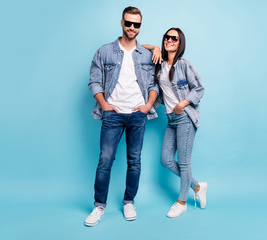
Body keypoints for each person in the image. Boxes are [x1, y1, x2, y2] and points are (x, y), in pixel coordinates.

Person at [85, 6, 158, 226]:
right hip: (113, 114)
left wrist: (148, 105)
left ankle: (129, 201)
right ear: (121, 23)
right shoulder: (105, 51)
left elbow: (155, 83)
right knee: (105, 160)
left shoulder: (146, 54)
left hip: (137, 115)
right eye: (128, 23)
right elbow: (94, 80)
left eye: (136, 24)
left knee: (134, 161)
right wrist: (105, 105)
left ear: (140, 26)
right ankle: (99, 206)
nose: (132, 28)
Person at [145, 28, 207, 218]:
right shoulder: (160, 64)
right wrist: (155, 47)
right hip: (171, 119)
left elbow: (199, 88)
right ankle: (197, 186)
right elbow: (138, 47)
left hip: (185, 118)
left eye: (175, 38)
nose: (170, 40)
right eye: (167, 37)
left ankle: (182, 202)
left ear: (180, 43)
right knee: (166, 160)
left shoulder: (184, 65)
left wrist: (183, 103)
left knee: (184, 162)